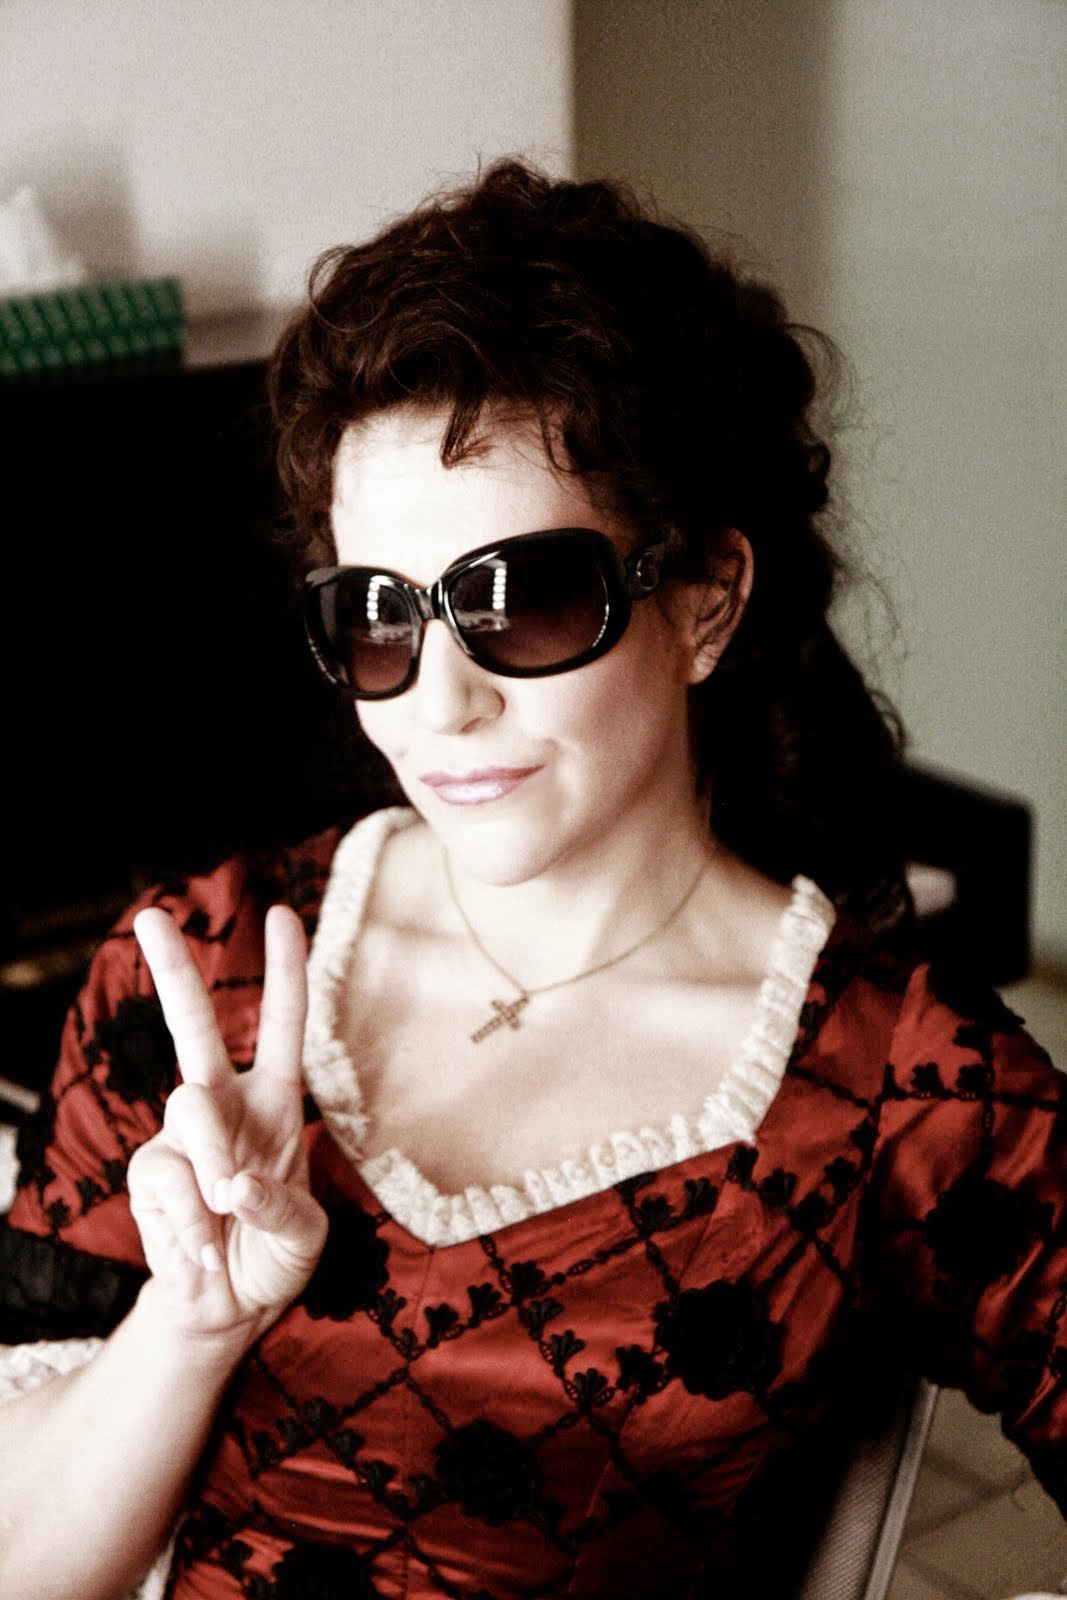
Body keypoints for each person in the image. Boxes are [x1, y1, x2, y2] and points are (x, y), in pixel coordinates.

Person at [0, 160, 1063, 1600]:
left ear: (706, 603)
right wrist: (192, 1322)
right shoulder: (197, 976)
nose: (440, 704)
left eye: (525, 601)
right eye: (378, 618)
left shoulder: (908, 1093)